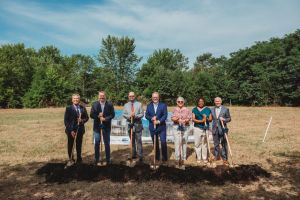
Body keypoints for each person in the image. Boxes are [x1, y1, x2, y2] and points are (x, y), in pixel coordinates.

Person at [90, 91, 115, 165]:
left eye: (103, 96)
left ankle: (108, 159)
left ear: (105, 96)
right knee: (97, 142)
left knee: (107, 143)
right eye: (100, 96)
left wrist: (105, 119)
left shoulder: (109, 104)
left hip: (106, 126)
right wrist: (98, 116)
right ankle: (97, 159)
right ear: (98, 97)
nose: (102, 97)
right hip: (97, 127)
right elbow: (91, 115)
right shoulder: (94, 104)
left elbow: (112, 115)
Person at [64, 94, 89, 165]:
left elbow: (86, 118)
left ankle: (79, 159)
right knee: (71, 144)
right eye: (74, 98)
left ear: (79, 99)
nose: (76, 100)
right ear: (72, 100)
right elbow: (66, 121)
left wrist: (82, 120)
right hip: (70, 130)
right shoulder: (68, 108)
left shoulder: (82, 108)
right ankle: (71, 159)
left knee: (79, 144)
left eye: (77, 98)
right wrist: (71, 130)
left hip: (80, 129)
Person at [145, 92, 168, 164]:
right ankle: (157, 157)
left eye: (156, 97)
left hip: (161, 127)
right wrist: (151, 118)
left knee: (163, 142)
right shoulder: (149, 106)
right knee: (155, 143)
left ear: (159, 97)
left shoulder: (163, 105)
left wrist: (159, 121)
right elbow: (146, 115)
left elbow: (165, 115)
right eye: (154, 97)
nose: (155, 98)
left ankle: (164, 158)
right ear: (152, 98)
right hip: (152, 127)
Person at [123, 91, 144, 162]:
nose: (131, 97)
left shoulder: (139, 104)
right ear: (128, 97)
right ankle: (133, 154)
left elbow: (142, 114)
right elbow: (124, 114)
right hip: (130, 125)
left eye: (132, 96)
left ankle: (140, 156)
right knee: (132, 141)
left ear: (134, 96)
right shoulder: (126, 105)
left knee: (138, 141)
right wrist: (129, 116)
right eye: (130, 96)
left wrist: (135, 116)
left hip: (138, 125)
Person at [171, 97, 191, 168]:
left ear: (183, 102)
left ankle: (183, 158)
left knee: (184, 142)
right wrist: (175, 119)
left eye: (181, 101)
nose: (180, 103)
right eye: (178, 101)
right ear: (176, 102)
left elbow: (189, 118)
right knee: (177, 142)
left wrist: (185, 120)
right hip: (176, 127)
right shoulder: (174, 109)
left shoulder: (187, 109)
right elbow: (172, 118)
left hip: (185, 127)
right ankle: (177, 158)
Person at [210, 97, 231, 165]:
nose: (217, 102)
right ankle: (217, 156)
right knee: (216, 144)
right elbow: (211, 119)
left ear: (221, 102)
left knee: (224, 144)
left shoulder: (225, 109)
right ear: (214, 102)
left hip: (222, 129)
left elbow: (229, 118)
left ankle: (225, 158)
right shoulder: (212, 109)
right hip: (214, 129)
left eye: (218, 101)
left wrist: (224, 119)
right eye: (216, 101)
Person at [192, 97, 212, 164]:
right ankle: (198, 157)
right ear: (197, 102)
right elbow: (193, 119)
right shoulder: (194, 109)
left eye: (202, 101)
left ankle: (204, 158)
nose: (201, 102)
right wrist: (201, 121)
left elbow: (210, 119)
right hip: (197, 128)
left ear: (204, 102)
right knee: (197, 143)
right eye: (199, 101)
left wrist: (206, 118)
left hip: (205, 128)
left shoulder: (207, 109)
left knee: (205, 143)